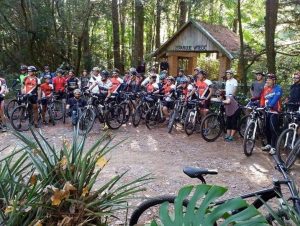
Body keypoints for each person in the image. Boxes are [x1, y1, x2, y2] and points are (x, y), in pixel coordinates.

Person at [260, 73, 283, 155]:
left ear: (274, 81)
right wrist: (262, 106)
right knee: (267, 129)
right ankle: (269, 144)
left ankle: (274, 147)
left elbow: (276, 98)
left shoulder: (278, 88)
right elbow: (262, 98)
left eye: (269, 80)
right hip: (267, 111)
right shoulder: (266, 88)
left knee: (273, 129)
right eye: (267, 80)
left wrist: (270, 106)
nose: (267, 81)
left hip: (274, 111)